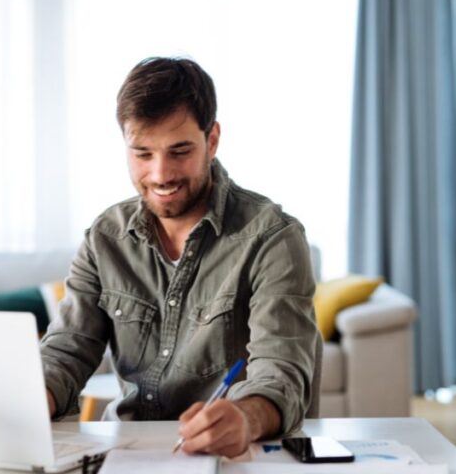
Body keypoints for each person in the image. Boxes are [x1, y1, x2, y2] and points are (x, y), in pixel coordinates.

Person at [40, 56, 320, 458]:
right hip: (125, 455)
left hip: (230, 459)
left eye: (179, 151)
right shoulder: (106, 237)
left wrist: (244, 418)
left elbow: (282, 373)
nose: (160, 174)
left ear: (213, 139)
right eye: (142, 153)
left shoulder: (273, 238)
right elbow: (67, 350)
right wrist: (34, 398)